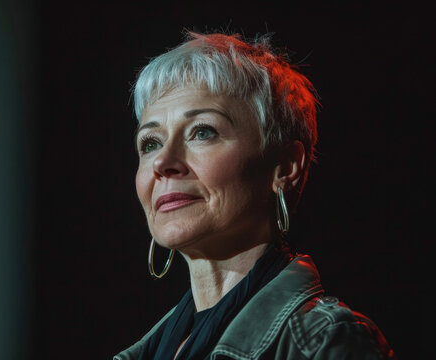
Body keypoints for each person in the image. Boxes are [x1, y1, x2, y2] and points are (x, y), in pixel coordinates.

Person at [114, 32, 395, 360]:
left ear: (285, 166)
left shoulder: (325, 343)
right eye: (151, 143)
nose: (163, 163)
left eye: (203, 132)